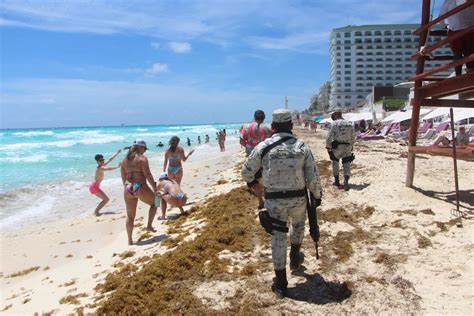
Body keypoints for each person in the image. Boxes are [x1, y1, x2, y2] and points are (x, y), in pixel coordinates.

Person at [241, 109, 322, 297]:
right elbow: (313, 177)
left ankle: (281, 283)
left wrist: (254, 183)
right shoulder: (302, 147)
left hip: (274, 201)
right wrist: (316, 197)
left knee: (278, 237)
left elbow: (246, 172)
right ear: (291, 126)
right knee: (299, 226)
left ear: (273, 127)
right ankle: (295, 257)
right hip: (298, 199)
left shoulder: (263, 147)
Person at [121, 140, 158, 245]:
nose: (145, 151)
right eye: (144, 149)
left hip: (128, 188)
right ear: (140, 148)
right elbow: (148, 175)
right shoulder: (142, 159)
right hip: (140, 186)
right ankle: (149, 225)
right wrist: (154, 188)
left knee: (130, 216)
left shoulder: (124, 160)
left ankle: (130, 240)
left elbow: (123, 178)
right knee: (157, 201)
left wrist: (129, 188)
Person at [240, 110, 273, 209]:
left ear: (254, 117)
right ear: (264, 118)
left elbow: (241, 141)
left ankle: (260, 201)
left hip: (252, 158)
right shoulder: (269, 128)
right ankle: (267, 198)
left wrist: (248, 147)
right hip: (266, 157)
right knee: (266, 178)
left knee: (255, 181)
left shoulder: (246, 128)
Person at [439, 0, 474, 75]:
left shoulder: (449, 1)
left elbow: (441, 17)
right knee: (469, 53)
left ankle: (458, 75)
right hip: (470, 30)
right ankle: (470, 72)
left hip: (455, 31)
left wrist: (443, 27)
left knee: (457, 55)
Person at [326, 110, 356, 191]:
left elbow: (329, 137)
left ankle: (337, 181)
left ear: (336, 114)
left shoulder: (334, 124)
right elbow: (353, 136)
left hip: (337, 147)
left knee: (335, 162)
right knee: (347, 163)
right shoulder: (349, 123)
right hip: (347, 146)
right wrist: (352, 146)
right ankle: (346, 181)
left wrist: (328, 147)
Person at [89, 150, 122, 216]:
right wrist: (117, 167)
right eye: (100, 160)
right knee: (106, 199)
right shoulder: (100, 168)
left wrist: (117, 153)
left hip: (95, 187)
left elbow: (110, 159)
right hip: (94, 187)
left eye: (103, 160)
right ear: (97, 162)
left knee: (106, 199)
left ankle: (96, 211)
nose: (102, 161)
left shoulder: (102, 165)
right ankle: (96, 212)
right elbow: (108, 169)